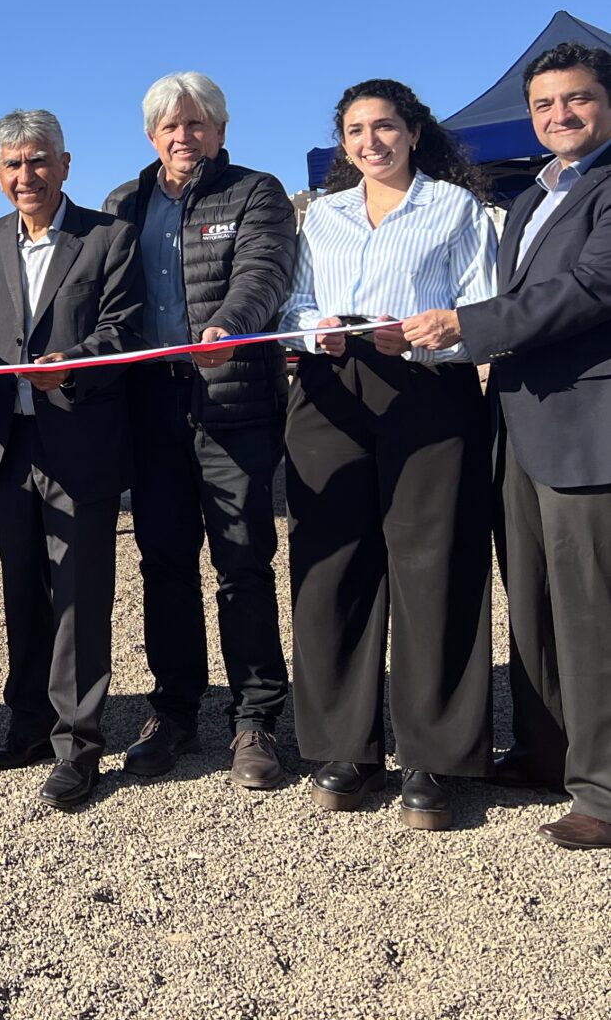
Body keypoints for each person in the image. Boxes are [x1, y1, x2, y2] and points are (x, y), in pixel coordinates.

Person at [404, 41, 611, 850]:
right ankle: (544, 751)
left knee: (590, 610)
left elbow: (591, 288)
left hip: (587, 429)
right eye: (544, 104)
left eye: (577, 99)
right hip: (519, 424)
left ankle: (602, 789)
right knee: (533, 602)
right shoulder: (529, 200)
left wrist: (467, 324)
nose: (560, 115)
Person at [279, 79, 498, 831]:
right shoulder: (322, 215)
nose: (370, 142)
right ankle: (345, 747)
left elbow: (482, 307)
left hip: (426, 389)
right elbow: (294, 303)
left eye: (384, 127)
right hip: (329, 391)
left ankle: (434, 755)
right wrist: (316, 328)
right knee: (332, 567)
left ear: (413, 132)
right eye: (355, 130)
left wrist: (430, 334)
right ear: (342, 143)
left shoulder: (455, 208)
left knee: (433, 566)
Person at [0, 110, 143, 812]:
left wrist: (73, 364)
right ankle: (27, 726)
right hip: (6, 445)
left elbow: (123, 330)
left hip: (79, 441)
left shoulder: (109, 238)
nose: (28, 175)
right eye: (14, 165)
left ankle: (79, 746)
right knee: (21, 590)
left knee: (79, 596)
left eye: (39, 160)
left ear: (65, 164)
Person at [104, 72, 294, 791]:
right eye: (170, 126)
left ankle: (256, 718)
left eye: (197, 123)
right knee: (164, 563)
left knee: (243, 562)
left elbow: (264, 273)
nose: (184, 136)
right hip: (151, 404)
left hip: (231, 399)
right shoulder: (124, 203)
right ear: (151, 135)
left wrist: (230, 326)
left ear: (220, 130)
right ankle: (174, 711)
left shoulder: (256, 192)